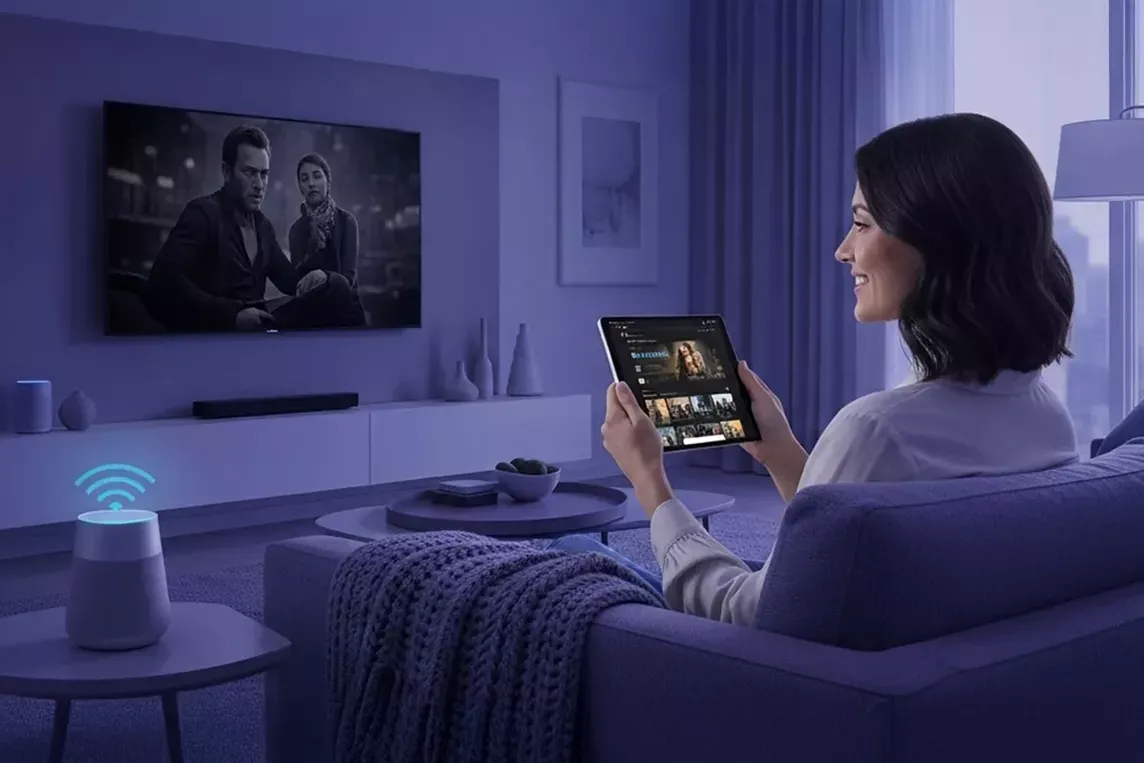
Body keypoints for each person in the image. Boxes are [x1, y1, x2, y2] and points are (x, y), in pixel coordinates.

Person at [552, 113, 1080, 625]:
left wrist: (649, 482)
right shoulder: (1047, 418)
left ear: (940, 242)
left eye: (862, 223)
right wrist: (780, 449)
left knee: (573, 552)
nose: (842, 250)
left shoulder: (879, 431)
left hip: (744, 667)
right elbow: (846, 543)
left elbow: (747, 615)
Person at [146, 126, 361, 332]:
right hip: (215, 334)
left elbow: (290, 281)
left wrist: (320, 278)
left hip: (261, 327)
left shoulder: (263, 226)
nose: (259, 184)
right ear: (227, 172)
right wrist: (232, 316)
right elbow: (162, 281)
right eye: (249, 172)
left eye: (264, 174)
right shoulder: (203, 213)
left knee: (336, 287)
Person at [288, 152, 361, 286]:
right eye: (304, 179)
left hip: (343, 298)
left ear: (328, 181)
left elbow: (348, 278)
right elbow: (296, 281)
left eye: (317, 176)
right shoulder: (296, 230)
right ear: (300, 187)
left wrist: (324, 277)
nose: (311, 184)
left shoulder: (346, 221)